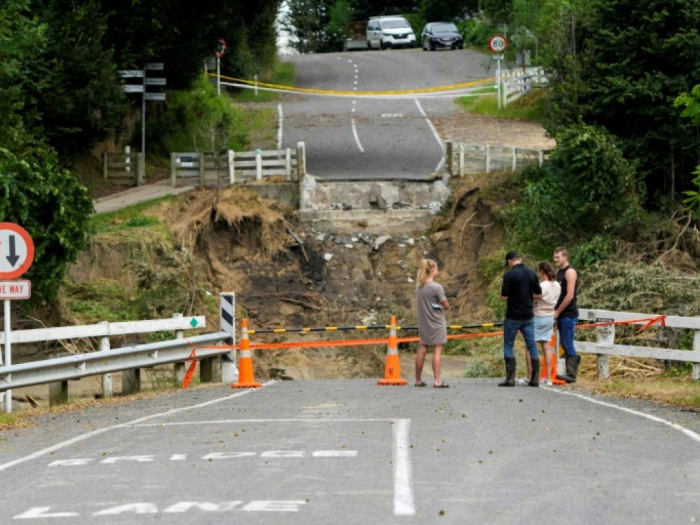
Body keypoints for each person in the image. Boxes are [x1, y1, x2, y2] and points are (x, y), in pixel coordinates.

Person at [499, 251, 542, 387]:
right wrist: (528, 296)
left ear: (510, 261)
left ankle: (510, 379)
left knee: (508, 345)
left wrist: (512, 295)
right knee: (532, 345)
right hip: (528, 316)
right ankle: (535, 378)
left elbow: (504, 296)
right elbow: (539, 294)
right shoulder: (531, 273)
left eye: (508, 263)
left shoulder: (509, 275)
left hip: (512, 316)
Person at [519, 261, 560, 386]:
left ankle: (530, 376)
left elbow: (533, 295)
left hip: (538, 316)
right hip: (550, 317)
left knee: (529, 347)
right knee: (546, 346)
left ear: (542, 271)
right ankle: (548, 377)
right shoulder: (557, 285)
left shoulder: (543, 286)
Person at [415, 259, 450, 388]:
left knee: (422, 348)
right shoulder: (436, 287)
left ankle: (418, 380)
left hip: (423, 322)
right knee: (437, 349)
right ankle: (437, 380)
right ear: (433, 270)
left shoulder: (419, 287)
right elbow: (446, 305)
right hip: (436, 321)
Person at [553, 246, 580, 383]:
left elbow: (569, 295)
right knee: (563, 343)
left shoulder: (570, 272)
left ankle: (572, 374)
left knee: (567, 343)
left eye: (558, 257)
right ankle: (573, 363)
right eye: (555, 257)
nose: (555, 259)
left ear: (565, 256)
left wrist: (557, 311)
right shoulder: (558, 272)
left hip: (568, 313)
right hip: (560, 313)